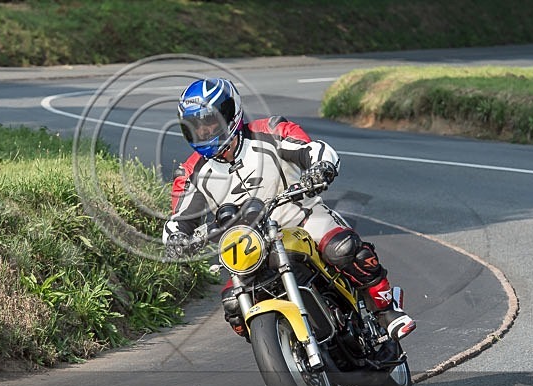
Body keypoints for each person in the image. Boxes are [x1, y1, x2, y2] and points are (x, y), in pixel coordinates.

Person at [163, 78, 416, 341]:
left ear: (230, 113)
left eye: (210, 122)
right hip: (248, 245)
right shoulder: (191, 171)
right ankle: (281, 345)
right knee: (233, 305)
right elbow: (178, 219)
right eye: (196, 127)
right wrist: (177, 239)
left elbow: (312, 149)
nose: (204, 132)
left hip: (300, 218)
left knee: (343, 249)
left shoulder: (269, 130)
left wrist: (320, 167)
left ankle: (387, 309)